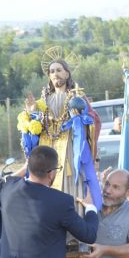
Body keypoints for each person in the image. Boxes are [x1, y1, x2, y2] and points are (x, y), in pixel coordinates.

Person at [20, 57, 101, 202]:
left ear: (67, 74)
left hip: (69, 148)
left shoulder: (77, 97)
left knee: (69, 184)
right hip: (46, 149)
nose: (55, 74)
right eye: (52, 71)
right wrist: (31, 112)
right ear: (49, 76)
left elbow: (94, 120)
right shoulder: (42, 102)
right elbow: (32, 128)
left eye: (59, 70)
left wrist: (81, 118)